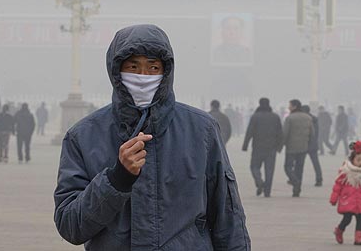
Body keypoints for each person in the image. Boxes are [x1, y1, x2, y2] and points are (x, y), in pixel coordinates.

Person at [54, 24, 250, 250]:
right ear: (116, 71)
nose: (143, 76)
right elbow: (71, 226)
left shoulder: (202, 131)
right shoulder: (83, 136)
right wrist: (116, 180)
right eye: (133, 67)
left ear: (166, 72)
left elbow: (228, 219)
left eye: (153, 67)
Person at [242, 97, 283, 198]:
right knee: (269, 170)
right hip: (271, 148)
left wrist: (245, 145)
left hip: (257, 147)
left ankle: (259, 181)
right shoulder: (275, 117)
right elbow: (280, 133)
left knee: (254, 167)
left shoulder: (255, 116)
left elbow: (249, 131)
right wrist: (279, 147)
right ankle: (267, 192)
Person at [282, 99, 313, 197]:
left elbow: (285, 133)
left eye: (290, 105)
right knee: (299, 168)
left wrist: (280, 145)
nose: (288, 107)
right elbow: (312, 133)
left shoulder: (290, 118)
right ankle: (297, 189)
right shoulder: (308, 118)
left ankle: (295, 182)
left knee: (287, 167)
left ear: (294, 106)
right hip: (303, 147)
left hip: (291, 147)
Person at [301, 104, 323, 187]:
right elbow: (316, 133)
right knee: (315, 163)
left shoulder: (304, 119)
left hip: (304, 144)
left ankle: (296, 179)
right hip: (313, 144)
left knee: (300, 163)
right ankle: (319, 178)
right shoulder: (314, 119)